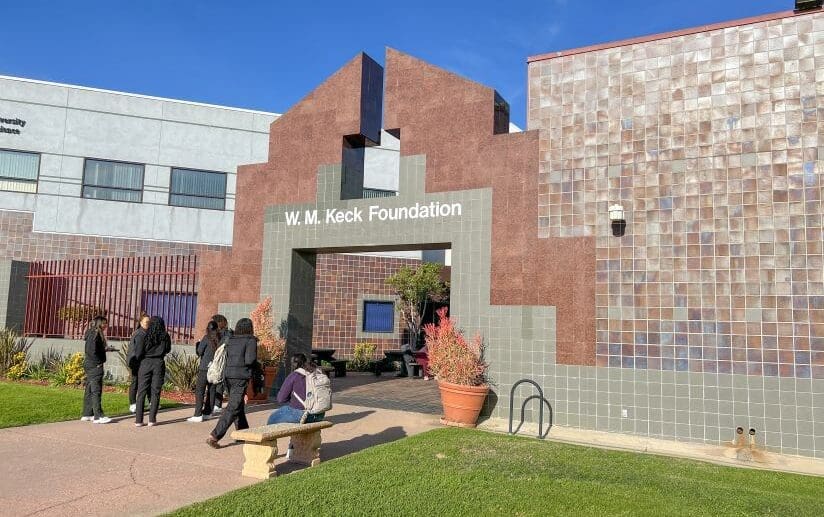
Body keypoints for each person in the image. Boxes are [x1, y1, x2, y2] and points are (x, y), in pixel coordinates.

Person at [206, 318, 257, 448]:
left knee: (237, 406)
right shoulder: (250, 340)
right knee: (233, 407)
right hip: (241, 377)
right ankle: (215, 435)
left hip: (228, 376)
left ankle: (243, 434)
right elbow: (250, 360)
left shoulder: (231, 339)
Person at [266, 353, 326, 425]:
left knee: (272, 418)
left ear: (294, 364)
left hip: (303, 415)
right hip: (320, 415)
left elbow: (281, 399)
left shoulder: (294, 375)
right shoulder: (317, 373)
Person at [134, 316, 172, 427]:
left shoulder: (145, 334)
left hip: (145, 362)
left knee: (141, 391)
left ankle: (138, 420)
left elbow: (139, 351)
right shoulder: (165, 336)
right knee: (155, 392)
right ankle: (152, 419)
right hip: (158, 363)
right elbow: (168, 349)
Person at [81, 316, 112, 424]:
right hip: (95, 365)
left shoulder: (90, 332)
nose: (105, 326)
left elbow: (93, 349)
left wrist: (104, 349)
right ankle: (98, 416)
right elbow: (92, 350)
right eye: (104, 323)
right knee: (96, 391)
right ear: (99, 324)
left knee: (89, 389)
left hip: (89, 364)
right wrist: (98, 362)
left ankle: (87, 413)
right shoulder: (96, 334)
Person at [188, 320, 220, 422]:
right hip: (215, 368)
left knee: (200, 390)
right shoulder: (220, 339)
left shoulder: (206, 338)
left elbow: (199, 352)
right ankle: (208, 412)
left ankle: (198, 414)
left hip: (204, 368)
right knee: (211, 390)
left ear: (208, 328)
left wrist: (198, 343)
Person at [127, 312, 150, 413]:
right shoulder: (140, 334)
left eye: (149, 322)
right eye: (146, 322)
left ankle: (150, 402)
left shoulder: (145, 333)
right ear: (141, 322)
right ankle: (133, 404)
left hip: (140, 362)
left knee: (146, 382)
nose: (148, 323)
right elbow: (139, 351)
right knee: (135, 383)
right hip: (136, 362)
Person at [210, 314, 233, 413]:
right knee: (219, 382)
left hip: (222, 361)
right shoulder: (226, 333)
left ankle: (218, 404)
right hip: (221, 360)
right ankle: (217, 404)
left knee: (220, 382)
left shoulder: (226, 334)